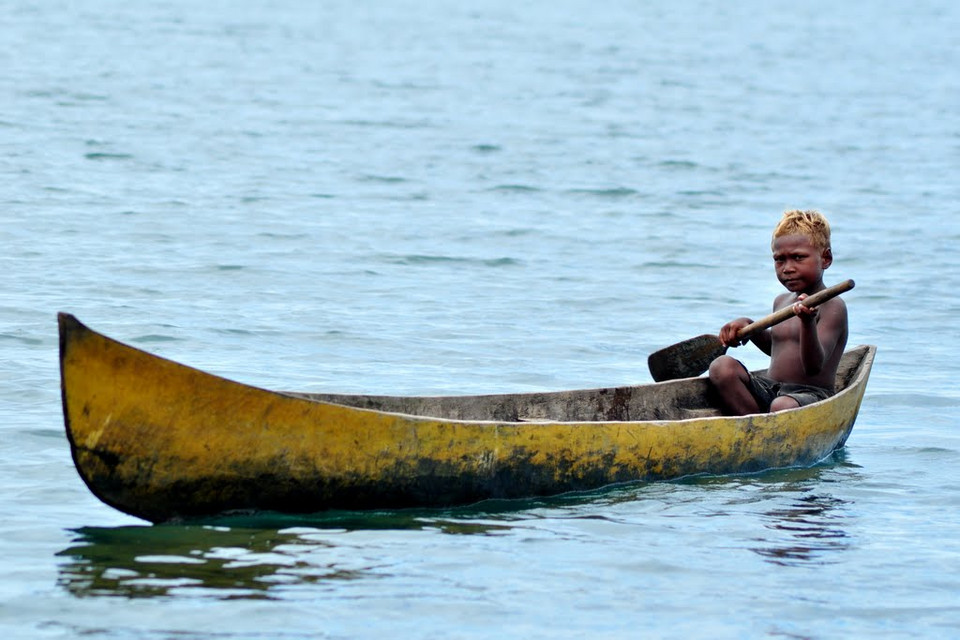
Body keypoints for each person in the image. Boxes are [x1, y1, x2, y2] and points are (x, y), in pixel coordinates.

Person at [708, 210, 848, 416]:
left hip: (809, 395)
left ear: (825, 259)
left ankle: (764, 429)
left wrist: (807, 323)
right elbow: (779, 348)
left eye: (798, 258)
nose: (787, 268)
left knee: (781, 406)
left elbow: (813, 367)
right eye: (779, 260)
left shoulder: (833, 307)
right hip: (771, 388)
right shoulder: (781, 301)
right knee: (722, 367)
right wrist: (749, 328)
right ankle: (756, 426)